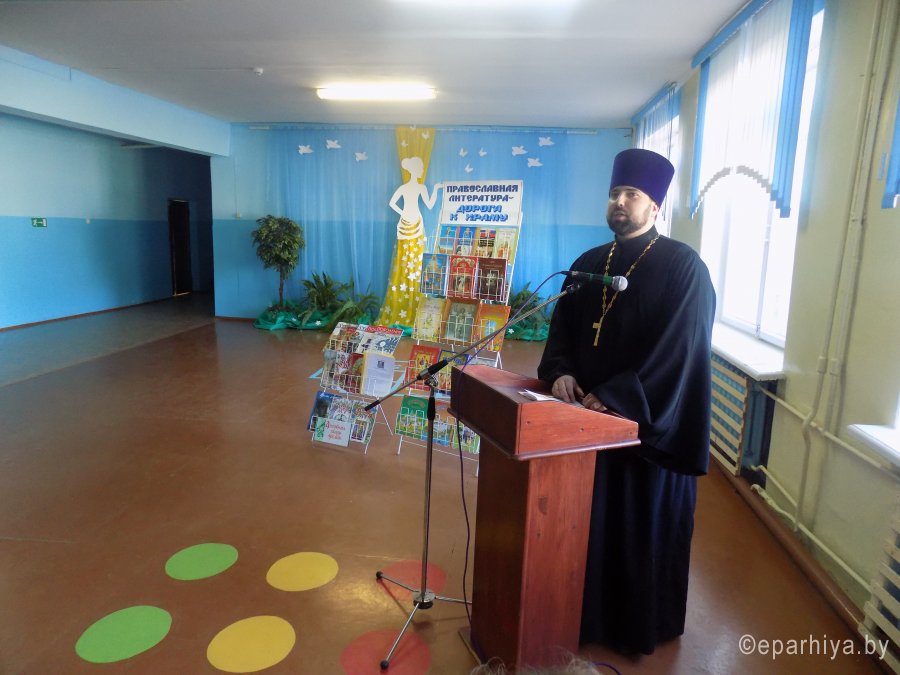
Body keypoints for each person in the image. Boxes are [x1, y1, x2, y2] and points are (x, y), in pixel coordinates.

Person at [537, 148, 715, 655]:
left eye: (631, 194)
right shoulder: (588, 264)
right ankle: (583, 618)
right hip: (583, 425)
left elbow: (681, 350)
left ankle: (637, 627)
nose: (619, 202)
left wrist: (616, 397)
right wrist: (561, 372)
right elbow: (562, 331)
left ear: (655, 206)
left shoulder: (684, 267)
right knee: (588, 527)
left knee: (637, 531)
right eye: (615, 193)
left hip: (643, 432)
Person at [377, 155, 442, 326]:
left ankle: (413, 300)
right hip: (408, 223)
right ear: (415, 169)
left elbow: (429, 204)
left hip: (415, 224)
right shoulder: (407, 187)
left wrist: (435, 189)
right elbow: (392, 203)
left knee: (417, 261)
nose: (421, 171)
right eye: (420, 168)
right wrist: (403, 213)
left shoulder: (418, 187)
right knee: (404, 259)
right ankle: (403, 300)